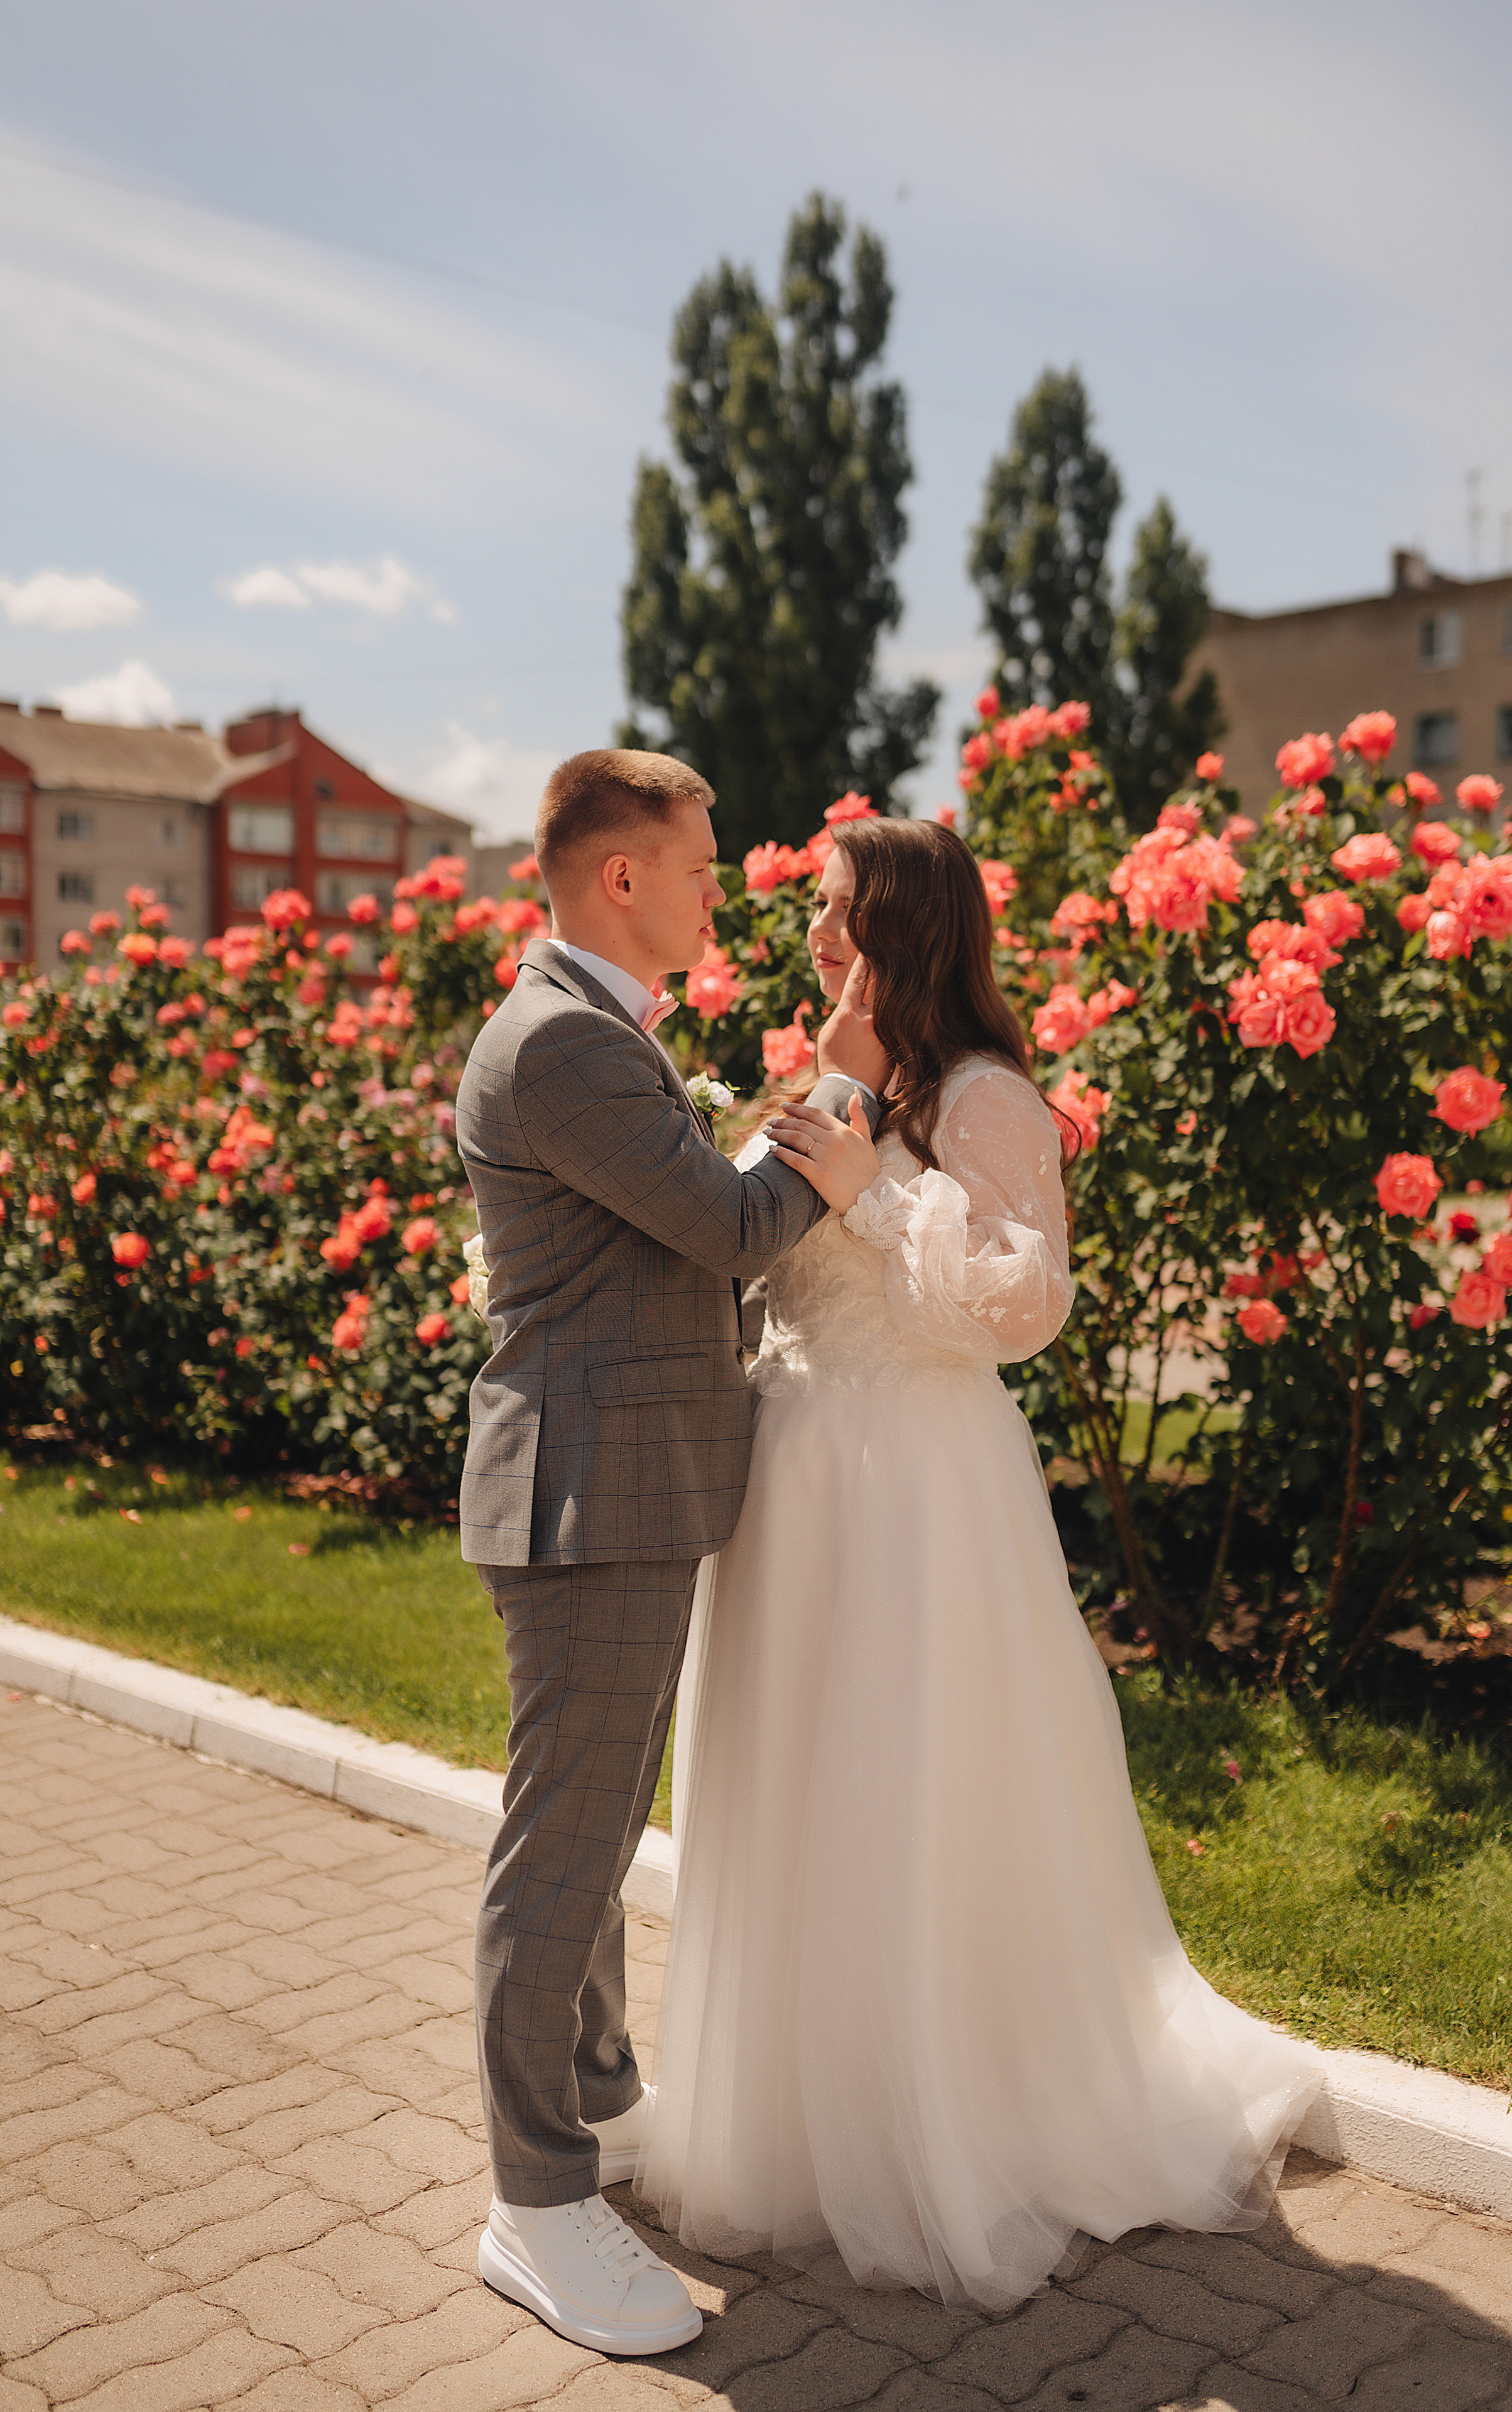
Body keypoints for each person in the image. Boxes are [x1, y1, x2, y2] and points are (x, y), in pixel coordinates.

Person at [637, 817, 1323, 2312]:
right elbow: (749, 1247)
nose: (814, 936)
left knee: (910, 1784)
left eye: (839, 914)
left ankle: (950, 2111)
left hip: (918, 1486)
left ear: (909, 931)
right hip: (791, 1476)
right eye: (813, 911)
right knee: (795, 1784)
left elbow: (1023, 1303)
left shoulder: (987, 1096)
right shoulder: (831, 1075)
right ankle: (798, 2117)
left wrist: (874, 1187)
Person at [453, 749, 885, 2357]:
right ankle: (535, 2200)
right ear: (617, 878)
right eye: (702, 869)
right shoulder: (562, 1044)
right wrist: (833, 1116)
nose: (724, 893)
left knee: (595, 1825)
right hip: (587, 1490)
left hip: (624, 1482)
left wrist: (778, 1144)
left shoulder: (597, 1032)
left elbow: (695, 1213)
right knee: (561, 1844)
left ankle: (596, 2110)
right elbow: (728, 1226)